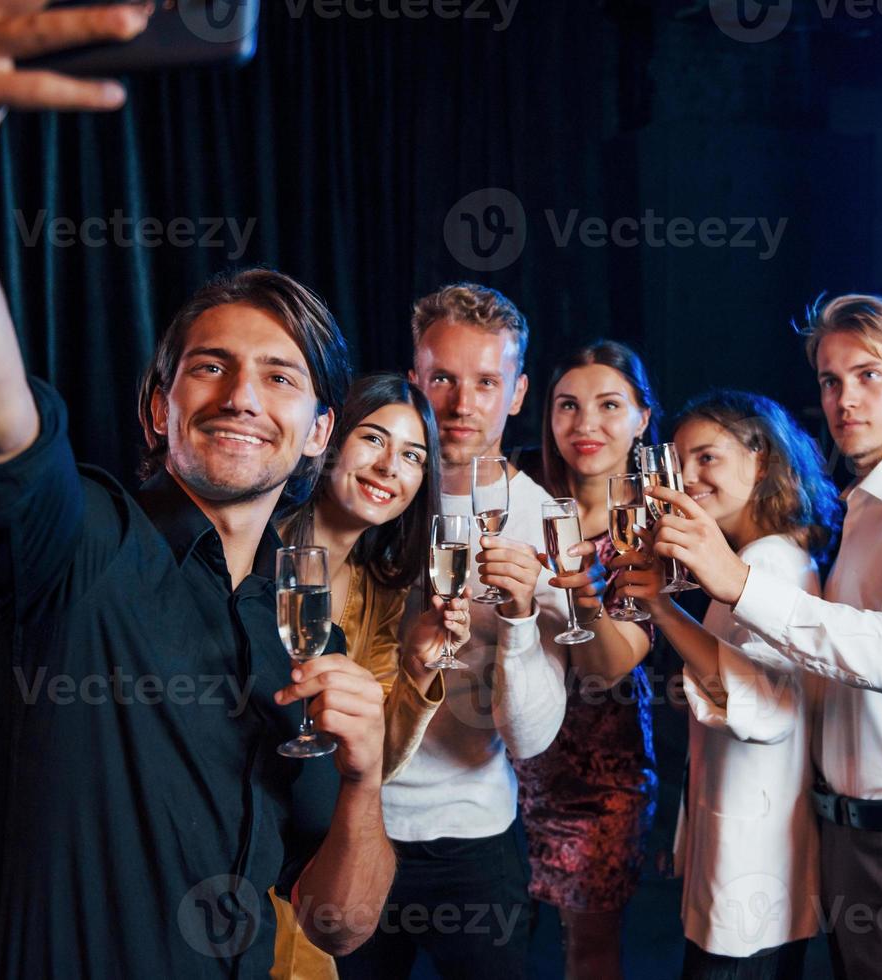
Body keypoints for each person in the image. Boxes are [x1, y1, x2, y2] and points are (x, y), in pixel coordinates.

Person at [0, 8, 393, 975]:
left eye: (282, 377)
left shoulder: (298, 626)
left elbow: (337, 926)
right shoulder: (72, 548)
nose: (243, 395)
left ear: (321, 433)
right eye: (211, 367)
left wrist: (364, 783)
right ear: (158, 407)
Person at [642, 295, 882, 979]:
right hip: (845, 832)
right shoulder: (861, 509)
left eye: (870, 375)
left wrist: (737, 584)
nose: (846, 398)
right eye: (830, 380)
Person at [334, 284, 570, 979]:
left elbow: (529, 740)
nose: (462, 405)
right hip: (356, 820)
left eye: (486, 382)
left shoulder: (548, 523)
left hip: (475, 836)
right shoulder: (372, 492)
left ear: (518, 392)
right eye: (442, 379)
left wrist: (523, 617)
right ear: (415, 380)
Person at [615, 389, 840, 978]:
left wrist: (662, 609)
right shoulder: (755, 559)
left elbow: (765, 709)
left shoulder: (768, 566)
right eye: (680, 460)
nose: (686, 477)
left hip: (754, 866)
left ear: (760, 459)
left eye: (706, 457)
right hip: (744, 850)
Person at [270, 374, 475, 980]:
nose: (390, 467)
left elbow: (373, 762)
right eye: (374, 439)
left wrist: (416, 669)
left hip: (304, 876)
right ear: (327, 438)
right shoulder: (255, 546)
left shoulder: (377, 588)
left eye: (413, 456)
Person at [508, 341, 660, 978]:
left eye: (608, 405)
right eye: (567, 405)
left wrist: (583, 592)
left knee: (589, 953)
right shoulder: (516, 494)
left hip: (599, 774)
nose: (585, 424)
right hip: (500, 758)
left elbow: (607, 667)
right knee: (491, 946)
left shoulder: (657, 523)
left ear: (642, 419)